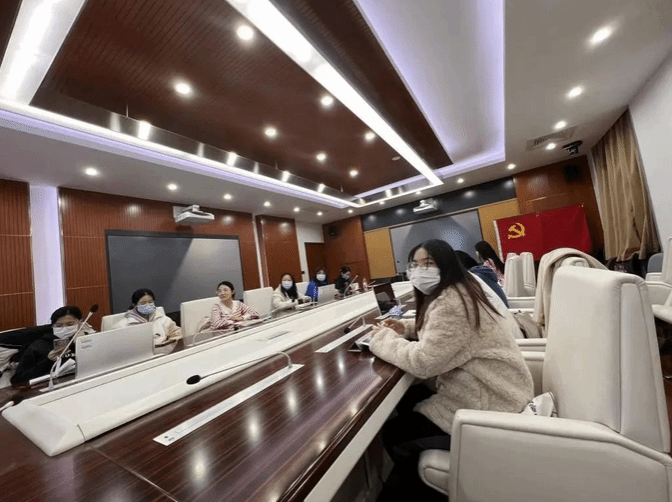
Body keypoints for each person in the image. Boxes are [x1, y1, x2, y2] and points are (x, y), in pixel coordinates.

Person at [369, 239, 533, 501]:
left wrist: (382, 339)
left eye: (428, 263)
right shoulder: (459, 291)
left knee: (394, 431)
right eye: (415, 265)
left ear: (446, 265)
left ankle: (421, 487)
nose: (420, 271)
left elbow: (424, 362)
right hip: (492, 390)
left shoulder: (451, 302)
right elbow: (448, 333)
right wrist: (406, 328)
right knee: (410, 399)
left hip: (487, 404)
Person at [10, 306, 95, 385]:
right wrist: (48, 361)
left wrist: (84, 344)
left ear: (80, 322)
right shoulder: (39, 346)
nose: (64, 329)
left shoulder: (89, 338)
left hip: (85, 383)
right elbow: (17, 380)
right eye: (58, 326)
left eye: (70, 324)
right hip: (50, 388)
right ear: (53, 326)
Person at [114, 288, 182, 345]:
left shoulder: (162, 318)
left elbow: (177, 333)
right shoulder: (123, 325)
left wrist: (168, 345)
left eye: (150, 302)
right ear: (134, 305)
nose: (147, 305)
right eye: (143, 303)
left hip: (162, 352)